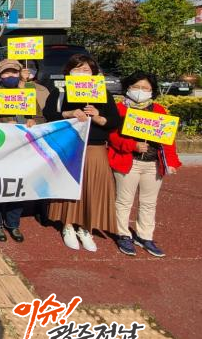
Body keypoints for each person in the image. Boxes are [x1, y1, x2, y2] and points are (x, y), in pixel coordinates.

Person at [43, 54, 120, 252]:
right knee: (69, 185)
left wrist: (98, 117)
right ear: (68, 72)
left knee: (91, 187)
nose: (82, 73)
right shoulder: (60, 91)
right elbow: (48, 115)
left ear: (94, 74)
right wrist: (68, 114)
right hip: (69, 147)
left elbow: (114, 122)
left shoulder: (104, 94)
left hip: (95, 148)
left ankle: (85, 227)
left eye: (86, 70)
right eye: (77, 69)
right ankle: (67, 225)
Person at [108, 71, 182, 258]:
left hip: (153, 164)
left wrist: (171, 162)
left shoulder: (159, 110)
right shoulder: (119, 109)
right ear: (128, 88)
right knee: (124, 201)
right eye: (136, 87)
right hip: (129, 161)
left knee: (149, 203)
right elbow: (112, 136)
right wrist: (132, 145)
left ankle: (145, 236)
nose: (140, 91)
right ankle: (123, 234)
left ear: (152, 91)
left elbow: (168, 139)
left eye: (145, 88)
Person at [0, 59, 45, 243]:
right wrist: (3, 124)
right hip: (1, 150)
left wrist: (34, 121)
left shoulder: (27, 96)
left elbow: (41, 118)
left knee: (19, 186)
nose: (10, 76)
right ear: (0, 76)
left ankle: (13, 223)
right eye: (6, 73)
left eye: (14, 73)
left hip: (24, 149)